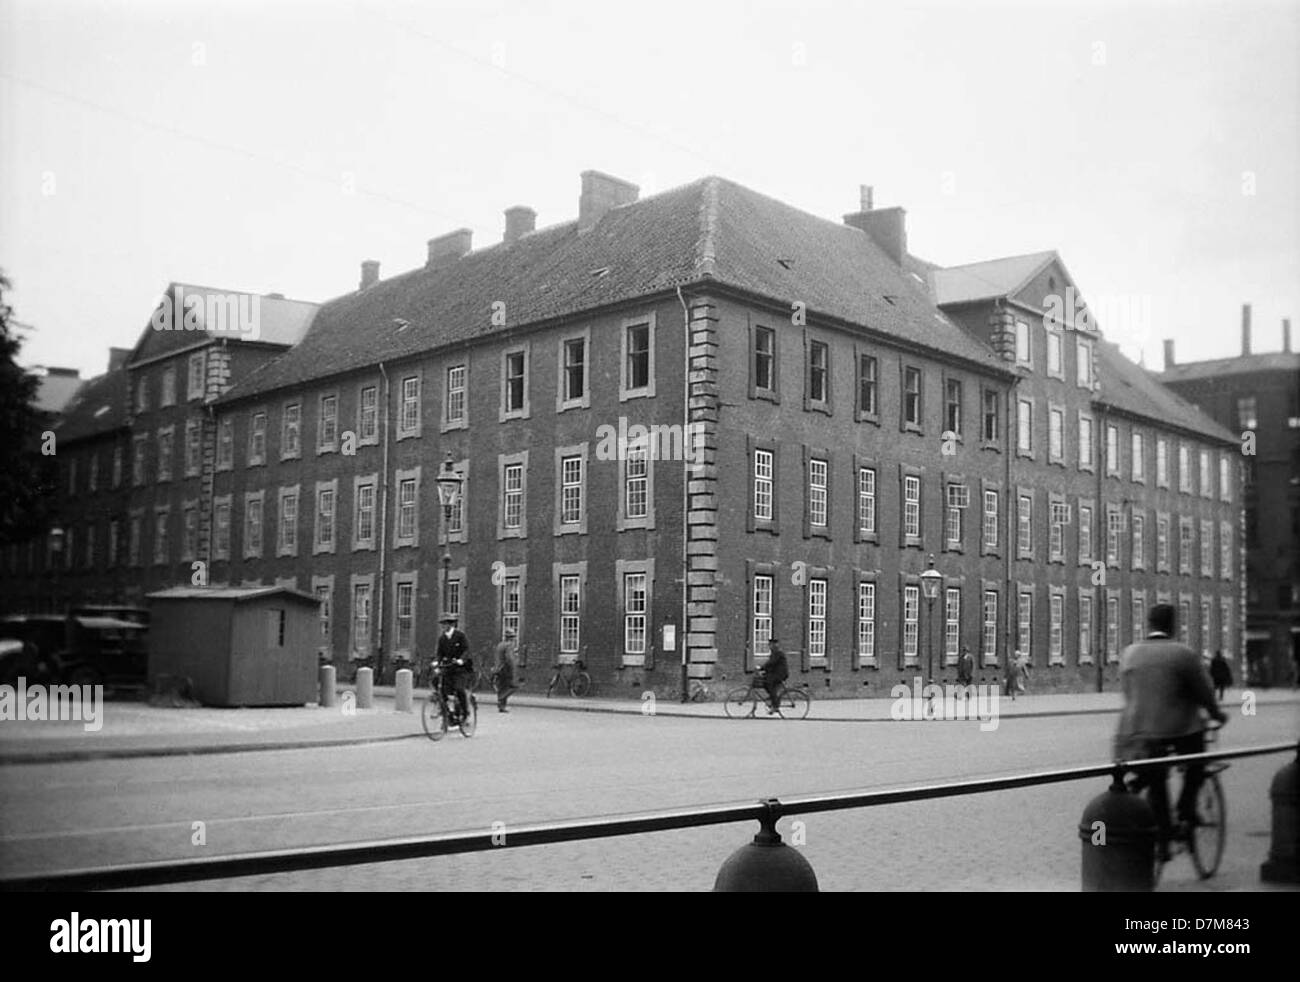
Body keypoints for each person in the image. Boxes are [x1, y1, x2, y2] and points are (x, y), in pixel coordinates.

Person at [1114, 603, 1227, 859]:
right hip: (1179, 729)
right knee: (1197, 761)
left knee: (1155, 775)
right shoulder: (1183, 654)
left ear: (1149, 623)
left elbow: (1128, 693)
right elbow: (1204, 693)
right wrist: (1217, 715)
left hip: (1137, 730)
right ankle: (1186, 808)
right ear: (1172, 625)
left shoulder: (1130, 654)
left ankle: (1163, 833)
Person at [435, 615, 472, 722]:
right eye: (443, 624)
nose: (444, 626)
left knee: (459, 689)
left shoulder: (460, 636)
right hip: (448, 667)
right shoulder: (442, 638)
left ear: (451, 624)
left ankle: (465, 712)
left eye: (446, 624)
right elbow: (439, 653)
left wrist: (461, 660)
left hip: (460, 669)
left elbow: (466, 650)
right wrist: (437, 662)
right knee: (438, 684)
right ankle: (447, 710)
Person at [757, 637, 789, 713]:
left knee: (769, 683)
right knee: (765, 682)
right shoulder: (774, 653)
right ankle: (773, 698)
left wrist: (761, 668)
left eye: (770, 645)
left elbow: (771, 663)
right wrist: (764, 671)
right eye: (769, 645)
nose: (769, 646)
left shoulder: (778, 653)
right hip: (776, 673)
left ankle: (775, 706)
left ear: (774, 645)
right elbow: (771, 665)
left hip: (780, 674)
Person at [494, 628, 517, 713]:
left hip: (498, 669)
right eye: (513, 637)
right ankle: (501, 699)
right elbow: (509, 659)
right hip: (505, 669)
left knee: (502, 687)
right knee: (512, 686)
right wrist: (512, 669)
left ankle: (502, 706)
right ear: (511, 638)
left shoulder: (500, 644)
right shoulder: (509, 645)